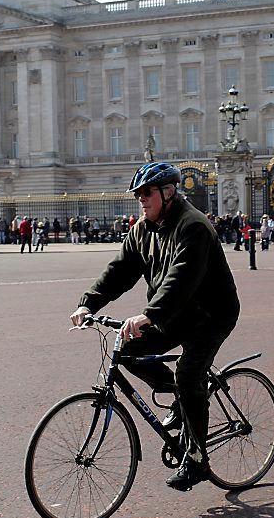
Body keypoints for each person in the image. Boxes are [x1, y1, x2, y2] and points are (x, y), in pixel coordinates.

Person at [70, 161, 240, 492]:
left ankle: (197, 459)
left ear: (168, 192)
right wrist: (88, 303)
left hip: (210, 315)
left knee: (189, 373)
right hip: (173, 315)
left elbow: (182, 279)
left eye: (146, 193)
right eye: (138, 195)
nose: (141, 200)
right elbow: (119, 271)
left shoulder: (194, 226)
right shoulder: (143, 229)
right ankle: (182, 398)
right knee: (129, 350)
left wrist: (149, 314)